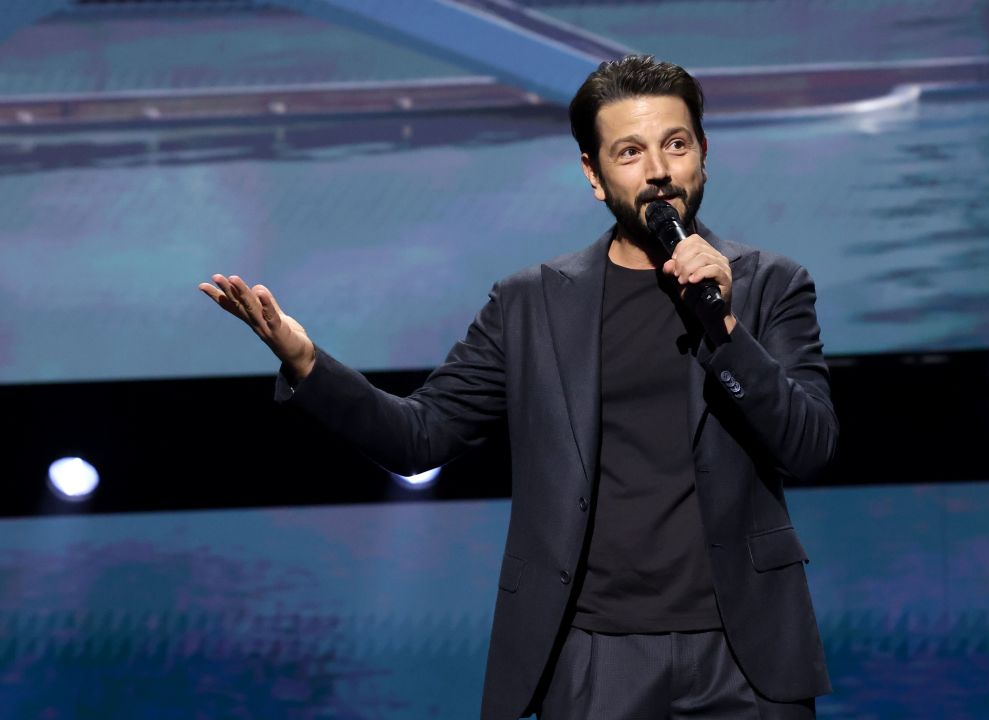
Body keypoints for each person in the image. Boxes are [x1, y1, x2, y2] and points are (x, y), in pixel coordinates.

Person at [199, 55, 837, 720]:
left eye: (675, 145)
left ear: (703, 154)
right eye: (629, 152)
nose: (658, 172)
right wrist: (306, 361)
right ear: (594, 174)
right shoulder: (531, 303)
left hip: (745, 654)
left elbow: (810, 445)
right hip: (593, 655)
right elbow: (420, 437)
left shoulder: (769, 284)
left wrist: (725, 325)